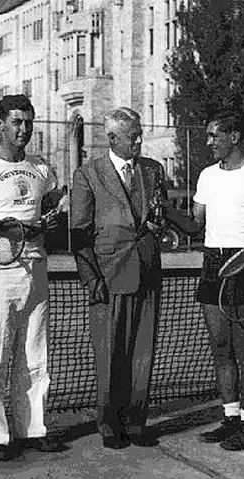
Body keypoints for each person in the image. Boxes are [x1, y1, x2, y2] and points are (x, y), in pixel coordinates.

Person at [0, 94, 67, 461]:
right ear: (1, 124)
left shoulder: (41, 169)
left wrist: (57, 214)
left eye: (29, 122)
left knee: (36, 357)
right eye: (17, 122)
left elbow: (54, 208)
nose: (24, 130)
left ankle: (32, 429)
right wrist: (2, 229)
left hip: (37, 270)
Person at [69, 107, 167, 450]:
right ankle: (110, 424)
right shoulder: (87, 174)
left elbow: (159, 216)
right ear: (112, 138)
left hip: (148, 271)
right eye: (133, 136)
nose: (140, 140)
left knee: (143, 351)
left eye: (140, 134)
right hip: (107, 277)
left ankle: (136, 423)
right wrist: (90, 277)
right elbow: (78, 233)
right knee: (109, 353)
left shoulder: (153, 171)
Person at [193, 109, 244, 451]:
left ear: (234, 137)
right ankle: (229, 419)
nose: (209, 142)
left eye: (215, 135)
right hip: (213, 262)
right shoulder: (208, 175)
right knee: (220, 346)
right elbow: (194, 224)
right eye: (209, 135)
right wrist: (160, 211)